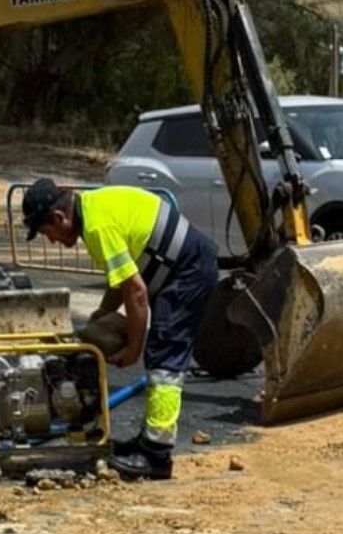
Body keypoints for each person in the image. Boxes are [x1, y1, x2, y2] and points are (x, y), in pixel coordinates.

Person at [24, 178, 218, 480]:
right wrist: (103, 313)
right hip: (183, 263)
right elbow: (123, 276)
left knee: (164, 360)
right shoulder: (93, 209)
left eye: (47, 232)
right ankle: (146, 442)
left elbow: (136, 291)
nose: (51, 242)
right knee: (161, 351)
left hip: (187, 270)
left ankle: (156, 455)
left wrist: (133, 348)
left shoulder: (97, 228)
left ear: (60, 218)